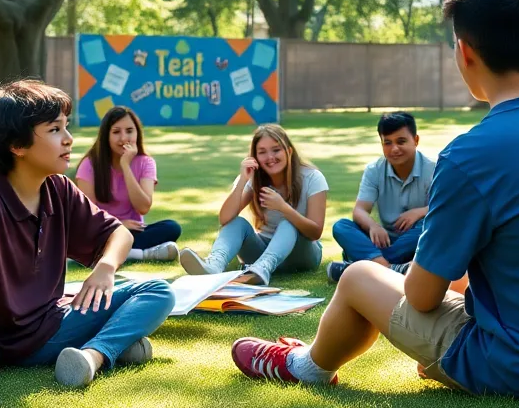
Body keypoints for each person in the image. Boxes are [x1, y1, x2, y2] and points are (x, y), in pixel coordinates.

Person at [230, 0, 519, 397]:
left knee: (358, 277)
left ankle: (305, 365)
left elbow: (422, 298)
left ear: (463, 52)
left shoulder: (470, 154)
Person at [0, 80, 175, 388]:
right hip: (14, 342)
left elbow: (119, 234)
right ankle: (96, 354)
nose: (69, 139)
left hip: (51, 318)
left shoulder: (57, 188)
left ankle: (109, 342)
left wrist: (105, 267)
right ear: (17, 145)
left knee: (128, 288)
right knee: (157, 291)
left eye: (66, 126)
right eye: (55, 129)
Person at [179, 124, 327, 285]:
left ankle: (262, 268)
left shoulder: (312, 177)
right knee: (236, 222)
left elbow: (315, 232)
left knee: (288, 223)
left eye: (276, 150)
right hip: (262, 250)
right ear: (255, 157)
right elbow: (225, 219)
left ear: (289, 151)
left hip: (301, 255)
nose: (270, 157)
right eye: (262, 152)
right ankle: (214, 266)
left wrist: (283, 208)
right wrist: (243, 180)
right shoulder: (254, 178)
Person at [328, 112, 435, 283]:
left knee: (430, 226)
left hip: (414, 240)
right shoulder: (374, 170)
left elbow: (447, 209)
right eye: (387, 143)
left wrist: (419, 212)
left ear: (415, 140)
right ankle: (391, 268)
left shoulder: (433, 169)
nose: (394, 149)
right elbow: (360, 210)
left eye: (401, 141)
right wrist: (373, 226)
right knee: (341, 226)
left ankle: (360, 265)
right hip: (383, 239)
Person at [76, 106, 182, 262]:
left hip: (133, 232)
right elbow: (86, 216)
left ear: (137, 133)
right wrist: (117, 224)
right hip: (102, 231)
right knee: (82, 237)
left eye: (129, 131)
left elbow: (143, 207)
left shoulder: (146, 162)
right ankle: (144, 254)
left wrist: (125, 166)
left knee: (172, 227)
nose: (124, 138)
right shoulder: (89, 164)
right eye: (116, 132)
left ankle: (112, 252)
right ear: (106, 135)